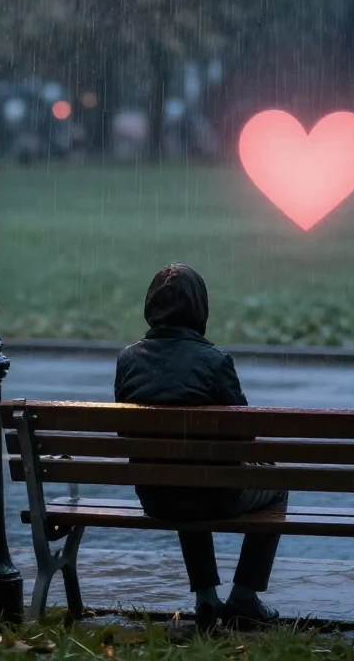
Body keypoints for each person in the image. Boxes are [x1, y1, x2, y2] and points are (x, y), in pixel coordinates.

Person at [114, 263, 287, 631]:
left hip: (155, 495)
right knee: (275, 484)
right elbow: (245, 438)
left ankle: (206, 598)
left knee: (179, 471)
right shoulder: (216, 362)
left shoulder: (127, 360)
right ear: (199, 308)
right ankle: (244, 596)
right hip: (214, 496)